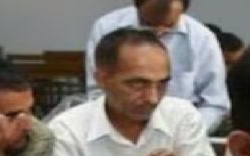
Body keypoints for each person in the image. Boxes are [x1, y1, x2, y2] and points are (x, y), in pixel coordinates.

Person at [47, 29, 218, 156]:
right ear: (102, 79)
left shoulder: (182, 115)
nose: (153, 98)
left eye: (162, 84)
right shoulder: (69, 126)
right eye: (138, 84)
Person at [85, 0, 229, 134]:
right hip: (117, 128)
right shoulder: (107, 27)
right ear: (138, 6)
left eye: (168, 26)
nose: (158, 33)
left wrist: (186, 133)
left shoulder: (201, 37)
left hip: (182, 132)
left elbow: (215, 103)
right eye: (150, 25)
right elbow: (97, 90)